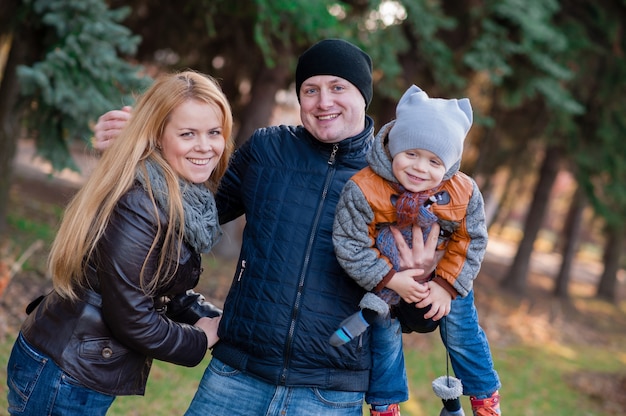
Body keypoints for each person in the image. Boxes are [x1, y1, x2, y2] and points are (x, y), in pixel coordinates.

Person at [91, 39, 440, 416]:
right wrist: (140, 151)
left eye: (338, 87)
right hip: (234, 377)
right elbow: (188, 211)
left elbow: (411, 320)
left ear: (363, 95)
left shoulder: (399, 182)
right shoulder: (267, 150)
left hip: (328, 395)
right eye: (311, 90)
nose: (324, 102)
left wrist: (421, 282)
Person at [6, 70, 233, 416]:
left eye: (214, 132)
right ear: (157, 136)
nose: (205, 146)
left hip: (80, 365)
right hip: (64, 373)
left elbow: (162, 289)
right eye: (188, 134)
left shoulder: (179, 193)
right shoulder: (141, 203)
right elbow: (132, 317)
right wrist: (198, 339)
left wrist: (221, 321)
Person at [331, 85, 501, 415]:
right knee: (383, 333)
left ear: (449, 165)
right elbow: (350, 243)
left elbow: (471, 239)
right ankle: (385, 403)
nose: (420, 168)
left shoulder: (463, 192)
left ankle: (484, 397)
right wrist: (390, 279)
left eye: (434, 160)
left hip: (446, 276)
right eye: (411, 154)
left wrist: (445, 286)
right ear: (394, 148)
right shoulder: (364, 188)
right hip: (387, 276)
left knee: (463, 329)